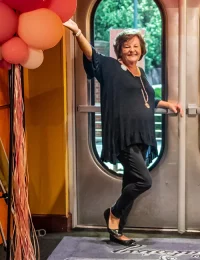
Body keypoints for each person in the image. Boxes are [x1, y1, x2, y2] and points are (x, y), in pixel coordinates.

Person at [63, 19, 182, 246]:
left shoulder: (141, 72)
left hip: (141, 136)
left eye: (136, 46)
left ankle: (116, 231)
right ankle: (113, 213)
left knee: (129, 182)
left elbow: (147, 99)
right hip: (124, 137)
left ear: (142, 50)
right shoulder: (111, 67)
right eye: (127, 46)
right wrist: (77, 32)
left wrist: (168, 105)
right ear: (119, 49)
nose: (132, 50)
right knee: (143, 181)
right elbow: (91, 55)